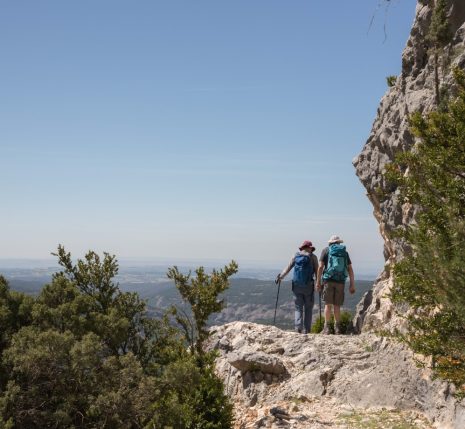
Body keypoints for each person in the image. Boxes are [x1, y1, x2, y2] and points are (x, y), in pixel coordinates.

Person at [276, 240, 319, 334]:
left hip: (296, 286)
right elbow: (317, 271)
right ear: (310, 248)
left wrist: (280, 277)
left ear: (302, 247)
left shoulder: (296, 256)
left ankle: (298, 328)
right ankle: (307, 330)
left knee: (298, 307)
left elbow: (288, 268)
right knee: (308, 308)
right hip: (308, 286)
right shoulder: (313, 257)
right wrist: (318, 283)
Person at [316, 235, 355, 334]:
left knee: (328, 305)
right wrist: (352, 284)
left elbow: (320, 267)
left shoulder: (325, 250)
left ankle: (327, 328)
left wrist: (318, 282)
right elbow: (350, 269)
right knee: (337, 306)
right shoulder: (344, 253)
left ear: (330, 242)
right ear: (339, 243)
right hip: (340, 281)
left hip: (328, 280)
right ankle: (337, 328)